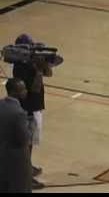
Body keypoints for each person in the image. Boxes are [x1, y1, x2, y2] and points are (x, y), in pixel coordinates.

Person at [12, 34, 52, 190]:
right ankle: (25, 176)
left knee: (30, 145)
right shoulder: (20, 67)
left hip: (35, 107)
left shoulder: (30, 63)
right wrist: (38, 71)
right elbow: (34, 89)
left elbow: (50, 73)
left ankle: (27, 167)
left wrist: (44, 63)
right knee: (26, 146)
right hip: (27, 110)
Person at [0, 78, 31, 193]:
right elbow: (24, 139)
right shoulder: (19, 113)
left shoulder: (1, 104)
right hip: (17, 161)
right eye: (22, 89)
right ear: (14, 92)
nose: (26, 91)